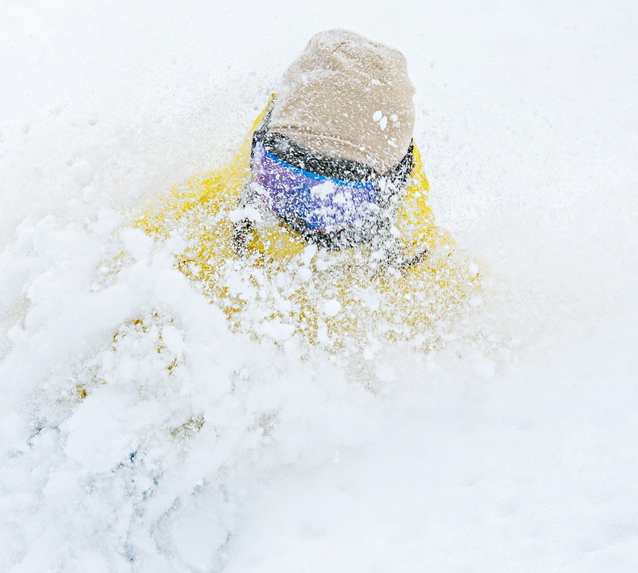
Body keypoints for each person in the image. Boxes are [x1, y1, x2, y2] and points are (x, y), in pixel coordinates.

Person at [137, 30, 480, 350]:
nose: (297, 219)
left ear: (389, 198)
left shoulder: (436, 286)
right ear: (258, 153)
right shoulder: (182, 229)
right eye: (282, 180)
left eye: (336, 201)